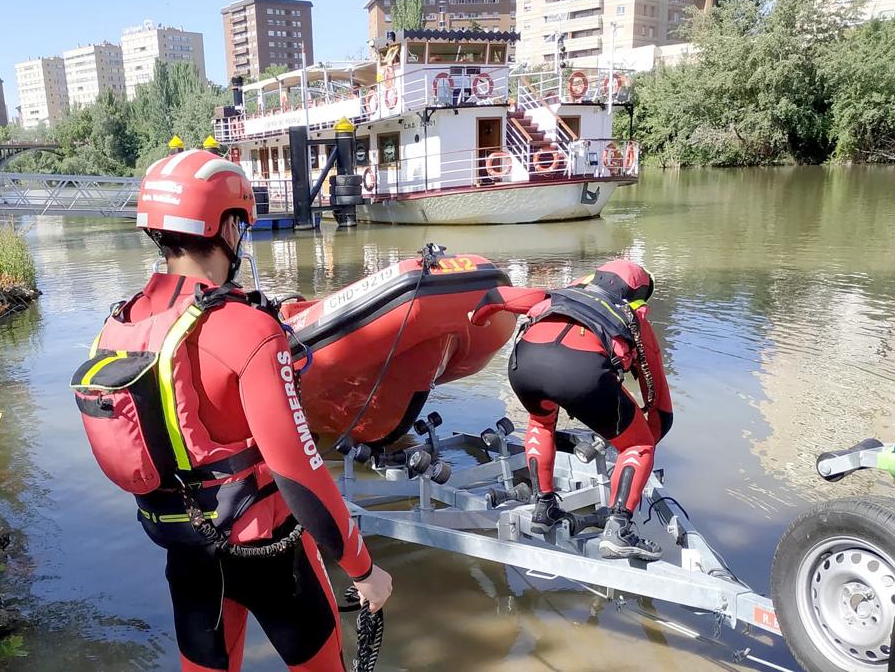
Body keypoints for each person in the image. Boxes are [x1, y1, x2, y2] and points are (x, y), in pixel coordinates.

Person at [74, 149, 392, 671]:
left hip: (185, 551)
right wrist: (363, 569)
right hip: (268, 555)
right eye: (240, 224)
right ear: (225, 226)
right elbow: (300, 470)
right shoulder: (248, 329)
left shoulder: (121, 325)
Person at [471, 260, 673, 561]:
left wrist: (477, 318)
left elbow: (497, 297)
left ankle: (544, 507)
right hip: (580, 372)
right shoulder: (632, 318)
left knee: (541, 423)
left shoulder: (555, 295)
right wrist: (648, 439)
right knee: (637, 444)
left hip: (524, 365)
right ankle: (618, 529)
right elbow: (657, 397)